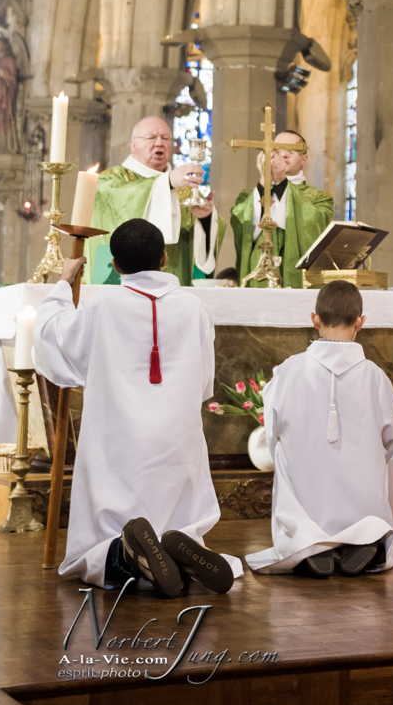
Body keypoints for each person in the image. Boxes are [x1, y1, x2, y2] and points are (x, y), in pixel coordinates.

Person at [32, 218, 241, 595]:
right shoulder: (193, 308)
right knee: (179, 506)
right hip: (176, 441)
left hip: (118, 441)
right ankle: (177, 547)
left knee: (99, 538)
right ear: (164, 258)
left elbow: (53, 336)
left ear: (114, 265)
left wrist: (62, 285)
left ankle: (127, 554)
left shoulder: (104, 306)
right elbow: (204, 381)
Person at [245, 280, 393, 576]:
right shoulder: (375, 376)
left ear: (315, 319)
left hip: (308, 489)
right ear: (361, 322)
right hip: (362, 494)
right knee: (376, 461)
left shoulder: (289, 370)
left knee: (282, 452)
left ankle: (309, 543)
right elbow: (392, 440)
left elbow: (273, 432)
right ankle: (363, 539)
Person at [88, 116, 220, 285]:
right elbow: (118, 202)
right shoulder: (111, 179)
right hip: (121, 284)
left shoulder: (184, 189)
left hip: (172, 285)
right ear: (133, 145)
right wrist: (168, 182)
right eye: (151, 137)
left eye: (165, 138)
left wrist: (205, 219)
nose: (159, 143)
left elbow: (199, 251)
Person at [230, 129, 333, 288]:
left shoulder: (319, 199)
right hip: (257, 282)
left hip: (297, 281)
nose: (283, 155)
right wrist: (265, 183)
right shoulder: (248, 196)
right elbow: (243, 228)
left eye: (290, 151)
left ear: (304, 158)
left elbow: (314, 228)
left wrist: (282, 183)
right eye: (277, 150)